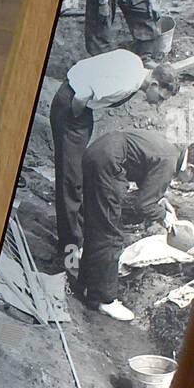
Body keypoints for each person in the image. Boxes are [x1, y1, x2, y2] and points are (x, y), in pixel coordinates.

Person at [51, 50, 178, 257]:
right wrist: (74, 119)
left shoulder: (135, 63)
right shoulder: (127, 84)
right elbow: (82, 94)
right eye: (161, 98)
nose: (158, 103)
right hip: (72, 105)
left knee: (77, 174)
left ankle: (80, 230)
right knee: (70, 179)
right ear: (154, 84)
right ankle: (70, 245)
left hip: (82, 108)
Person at [77, 128, 185, 321]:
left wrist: (161, 201)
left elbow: (147, 180)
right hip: (108, 163)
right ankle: (104, 300)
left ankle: (85, 284)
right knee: (111, 234)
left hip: (97, 152)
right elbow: (143, 205)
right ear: (190, 167)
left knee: (96, 225)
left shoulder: (169, 149)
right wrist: (165, 217)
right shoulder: (169, 161)